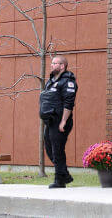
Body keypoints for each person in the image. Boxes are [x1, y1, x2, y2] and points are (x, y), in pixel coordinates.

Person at [39, 55, 77, 188]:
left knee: (57, 150)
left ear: (62, 66)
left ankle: (59, 180)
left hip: (61, 121)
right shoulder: (51, 81)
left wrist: (63, 121)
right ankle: (64, 174)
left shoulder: (68, 81)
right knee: (49, 148)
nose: (51, 65)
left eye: (55, 63)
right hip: (50, 121)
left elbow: (68, 103)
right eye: (52, 63)